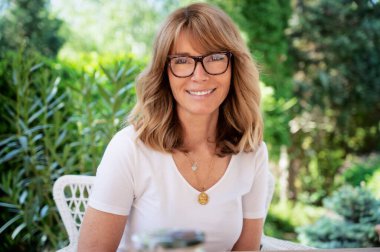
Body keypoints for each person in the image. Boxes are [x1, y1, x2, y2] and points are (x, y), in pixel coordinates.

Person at [78, 2, 269, 251]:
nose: (199, 75)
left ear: (234, 67)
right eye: (182, 61)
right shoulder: (129, 150)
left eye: (214, 58)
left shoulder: (252, 152)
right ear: (164, 72)